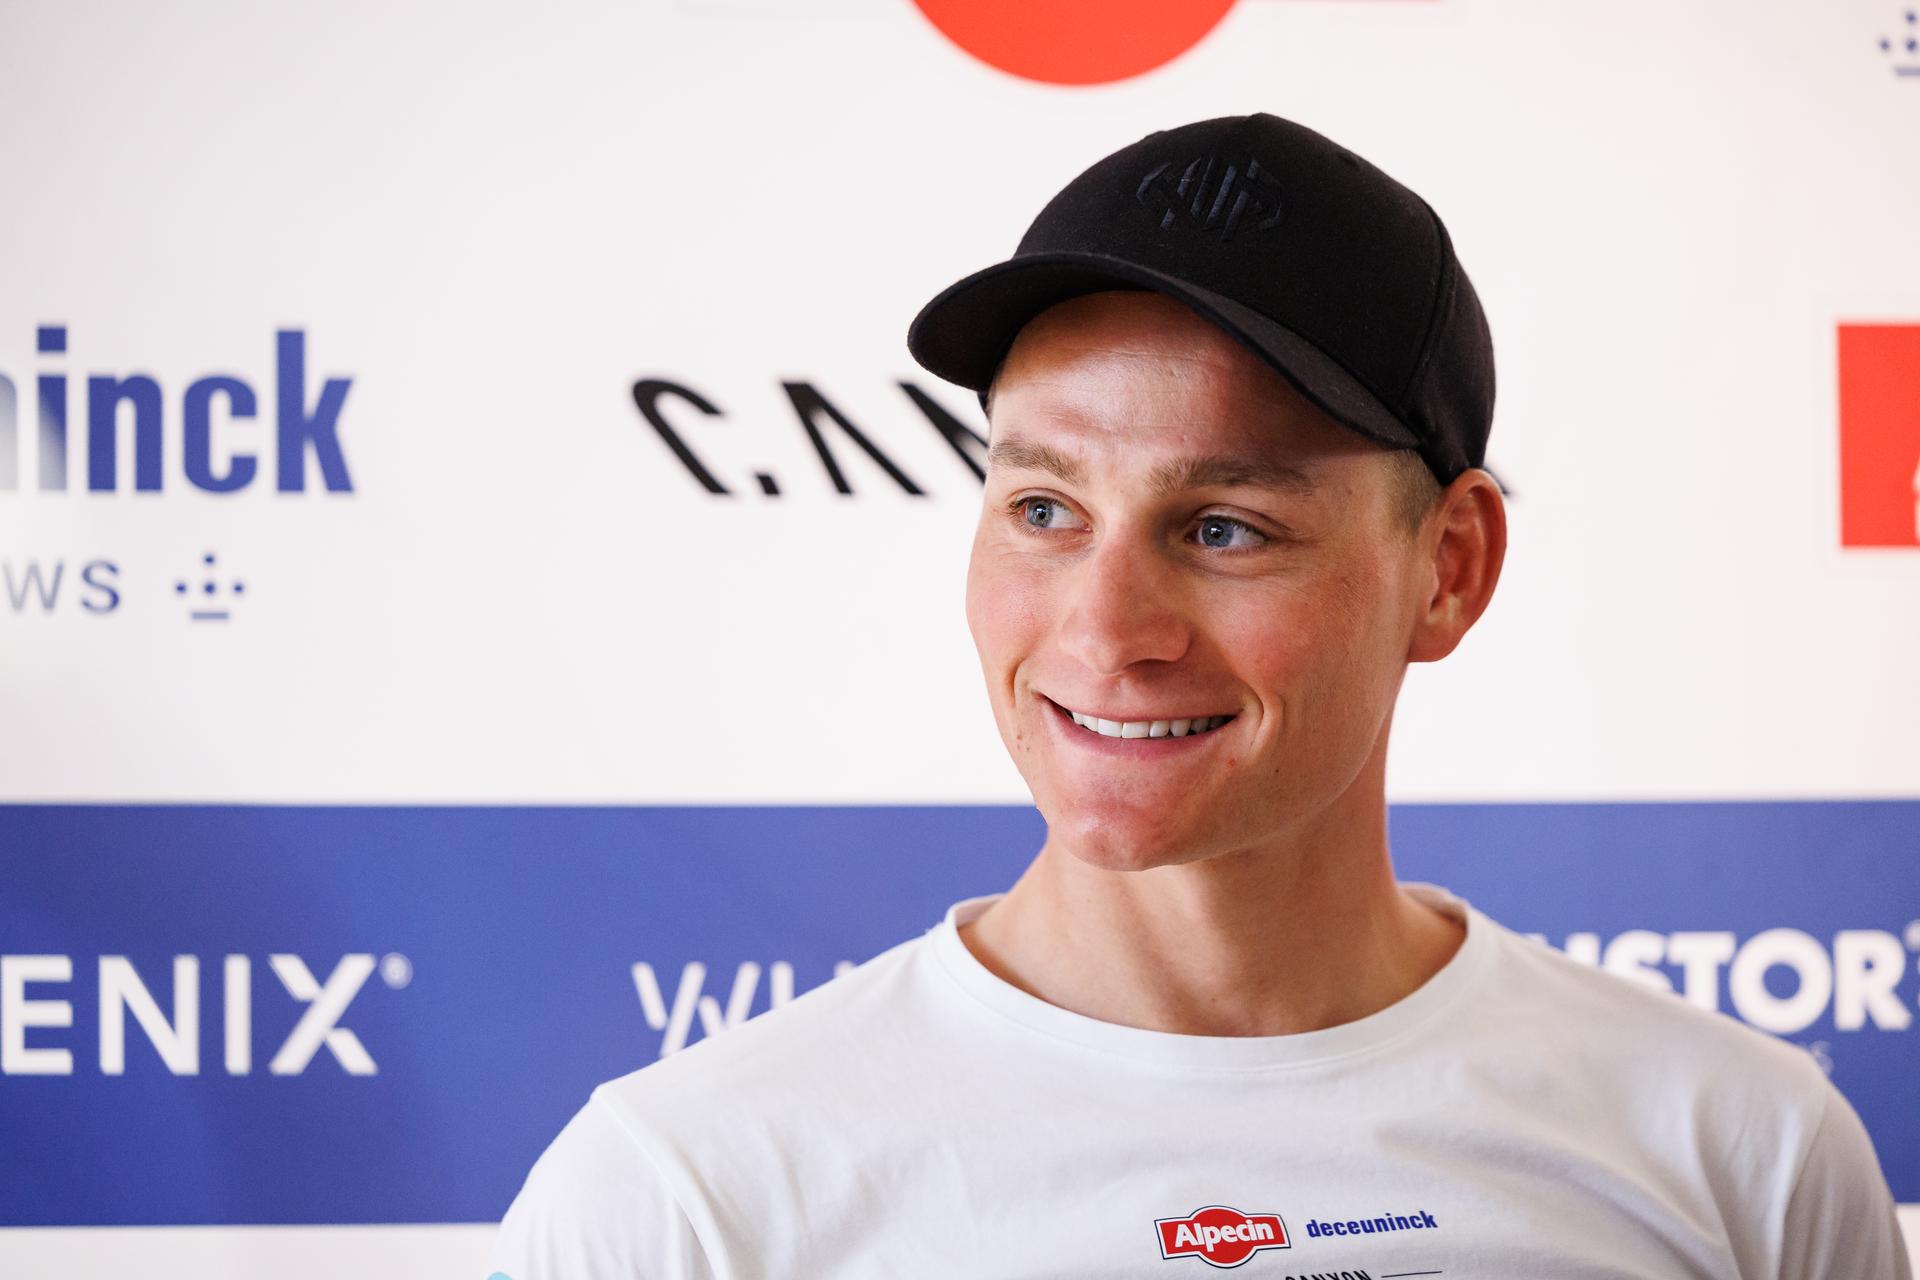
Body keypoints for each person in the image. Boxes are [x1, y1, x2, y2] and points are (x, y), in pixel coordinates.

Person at [486, 112, 1910, 1278]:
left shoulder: (1744, 1157)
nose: (1105, 632)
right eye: (1044, 508)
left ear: (1450, 568)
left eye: (1225, 527)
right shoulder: (682, 1199)